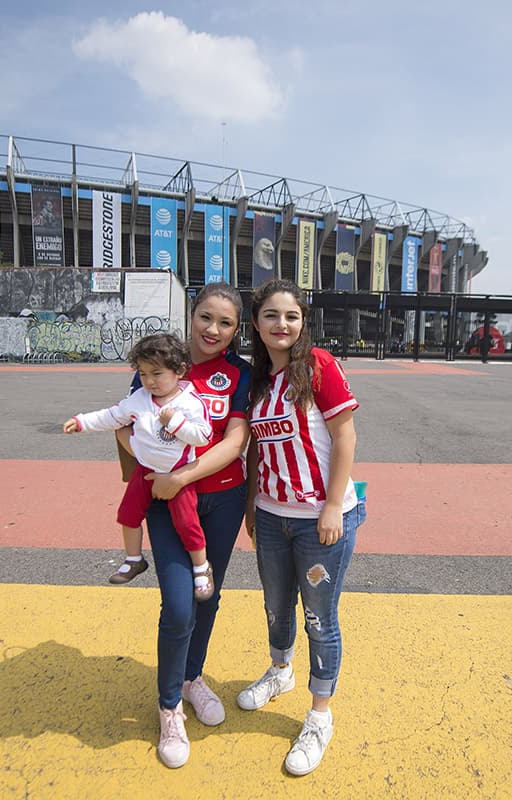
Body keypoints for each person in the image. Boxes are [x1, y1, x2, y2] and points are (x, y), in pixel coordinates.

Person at [118, 283, 250, 769]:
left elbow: (235, 441)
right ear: (191, 315)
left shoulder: (239, 373)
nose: (213, 330)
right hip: (166, 504)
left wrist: (181, 475)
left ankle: (193, 678)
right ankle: (169, 706)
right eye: (205, 318)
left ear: (237, 330)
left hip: (222, 500)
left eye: (226, 323)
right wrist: (158, 471)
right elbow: (123, 428)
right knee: (177, 606)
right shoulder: (159, 362)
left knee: (206, 596)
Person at [241, 278, 364, 776]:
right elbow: (254, 452)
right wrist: (252, 507)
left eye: (291, 316)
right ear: (256, 323)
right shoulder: (257, 380)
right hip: (272, 517)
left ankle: (320, 716)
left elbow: (345, 435)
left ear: (303, 322)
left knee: (319, 617)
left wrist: (333, 505)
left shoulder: (318, 366)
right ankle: (280, 671)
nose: (282, 324)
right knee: (275, 605)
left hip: (320, 521)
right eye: (271, 315)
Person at [63, 334, 215, 597]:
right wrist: (82, 422)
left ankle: (201, 567)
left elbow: (203, 436)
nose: (149, 381)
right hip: (144, 471)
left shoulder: (189, 402)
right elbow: (112, 416)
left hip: (177, 473)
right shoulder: (139, 399)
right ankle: (134, 559)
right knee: (128, 515)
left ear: (179, 371)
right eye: (143, 374)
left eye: (156, 373)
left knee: (186, 522)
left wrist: (176, 423)